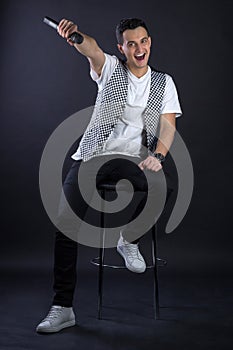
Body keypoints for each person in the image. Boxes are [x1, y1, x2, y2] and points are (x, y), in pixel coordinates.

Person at [36, 17, 182, 333]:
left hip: (135, 159)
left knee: (165, 186)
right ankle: (63, 308)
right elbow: (91, 50)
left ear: (150, 42)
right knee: (66, 224)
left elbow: (168, 126)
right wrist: (74, 36)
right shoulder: (111, 68)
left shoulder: (163, 83)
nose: (139, 48)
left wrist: (158, 155)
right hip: (94, 156)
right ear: (122, 48)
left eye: (143, 41)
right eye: (131, 43)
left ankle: (128, 240)